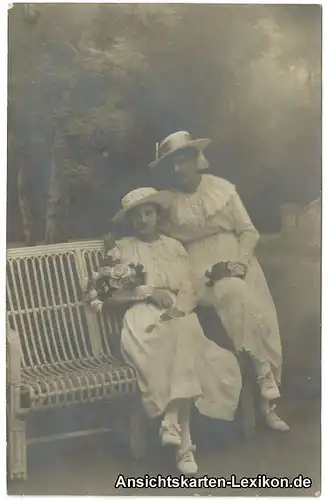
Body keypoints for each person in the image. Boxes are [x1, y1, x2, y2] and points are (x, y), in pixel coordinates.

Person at [149, 131, 290, 432]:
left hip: (238, 259)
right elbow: (152, 233)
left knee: (257, 313)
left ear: (195, 161)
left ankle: (268, 405)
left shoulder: (222, 190)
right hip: (198, 269)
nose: (178, 170)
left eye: (183, 161)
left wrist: (241, 262)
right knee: (230, 291)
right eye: (172, 164)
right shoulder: (168, 203)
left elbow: (249, 231)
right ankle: (262, 374)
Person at [109, 187, 242, 475]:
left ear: (158, 214)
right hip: (142, 318)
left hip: (178, 312)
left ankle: (173, 424)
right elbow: (111, 295)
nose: (143, 220)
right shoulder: (121, 248)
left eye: (148, 212)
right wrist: (147, 292)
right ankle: (184, 445)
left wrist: (176, 308)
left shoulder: (174, 247)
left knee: (184, 329)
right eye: (136, 216)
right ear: (130, 221)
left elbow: (189, 289)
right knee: (183, 337)